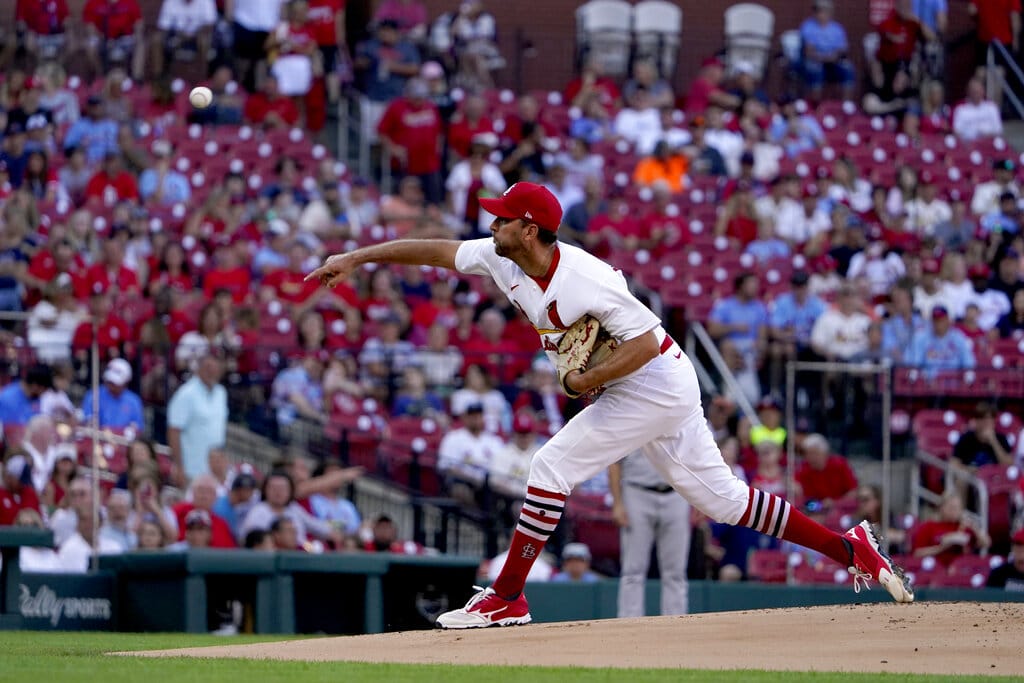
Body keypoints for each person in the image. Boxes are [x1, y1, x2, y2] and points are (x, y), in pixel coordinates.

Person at [306, 180, 914, 628]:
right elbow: (438, 251)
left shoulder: (586, 278)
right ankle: (849, 546)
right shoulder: (501, 257)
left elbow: (650, 340)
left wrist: (579, 382)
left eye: (502, 219)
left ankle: (507, 597)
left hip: (654, 380)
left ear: (531, 229)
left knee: (551, 466)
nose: (491, 225)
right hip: (650, 385)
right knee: (723, 500)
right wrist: (357, 258)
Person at [609, 450, 690, 617]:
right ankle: (629, 626)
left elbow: (698, 458)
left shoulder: (683, 422)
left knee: (675, 571)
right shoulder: (629, 422)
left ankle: (677, 624)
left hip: (677, 493)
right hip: (636, 491)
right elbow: (614, 461)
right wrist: (617, 503)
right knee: (633, 569)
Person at [167, 353, 228, 484]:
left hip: (215, 471)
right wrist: (178, 466)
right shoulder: (186, 394)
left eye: (215, 368)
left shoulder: (221, 393)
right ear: (198, 368)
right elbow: (174, 431)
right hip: (191, 470)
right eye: (208, 367)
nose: (211, 372)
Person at [911, 492, 990, 567]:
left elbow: (986, 543)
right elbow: (917, 554)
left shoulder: (964, 526)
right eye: (951, 507)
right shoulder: (928, 526)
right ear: (942, 508)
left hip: (962, 569)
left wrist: (974, 527)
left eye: (958, 508)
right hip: (936, 568)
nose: (955, 511)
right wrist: (940, 548)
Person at [798, 0, 856, 101]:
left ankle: (846, 106)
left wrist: (834, 57)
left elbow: (842, 50)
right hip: (815, 59)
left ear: (830, 13)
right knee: (816, 69)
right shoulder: (808, 26)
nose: (820, 14)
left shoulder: (837, 28)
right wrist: (824, 58)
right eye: (817, 10)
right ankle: (816, 105)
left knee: (848, 68)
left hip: (834, 60)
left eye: (823, 10)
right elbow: (809, 51)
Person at [795, 434, 858, 508]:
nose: (811, 457)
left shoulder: (840, 464)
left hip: (841, 507)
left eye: (814, 453)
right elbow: (802, 496)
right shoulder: (803, 469)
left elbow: (853, 491)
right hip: (815, 509)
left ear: (825, 453)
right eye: (808, 454)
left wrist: (836, 503)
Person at [81, 358, 144, 431]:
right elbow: (87, 420)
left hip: (124, 440)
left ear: (126, 382)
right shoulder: (93, 396)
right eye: (110, 382)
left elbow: (138, 427)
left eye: (115, 383)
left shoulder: (134, 401)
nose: (111, 386)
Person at [953, 402, 1014, 469]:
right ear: (976, 420)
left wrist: (994, 441)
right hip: (971, 477)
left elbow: (1009, 466)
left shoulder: (1001, 439)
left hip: (994, 477)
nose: (987, 422)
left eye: (990, 418)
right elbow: (954, 464)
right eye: (983, 418)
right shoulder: (966, 439)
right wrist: (970, 470)